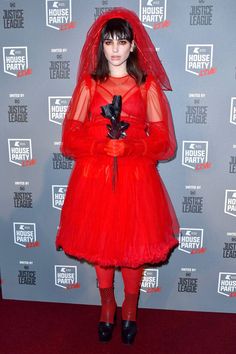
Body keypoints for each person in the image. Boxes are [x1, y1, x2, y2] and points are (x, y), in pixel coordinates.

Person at [56, 7, 179, 345]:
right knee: (101, 244)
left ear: (133, 46)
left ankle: (131, 308)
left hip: (136, 179)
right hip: (94, 177)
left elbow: (164, 142)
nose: (114, 48)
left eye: (121, 41)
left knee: (132, 246)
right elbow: (70, 137)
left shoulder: (147, 86)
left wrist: (132, 148)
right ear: (101, 46)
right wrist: (99, 146)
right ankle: (107, 305)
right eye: (108, 41)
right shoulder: (88, 84)